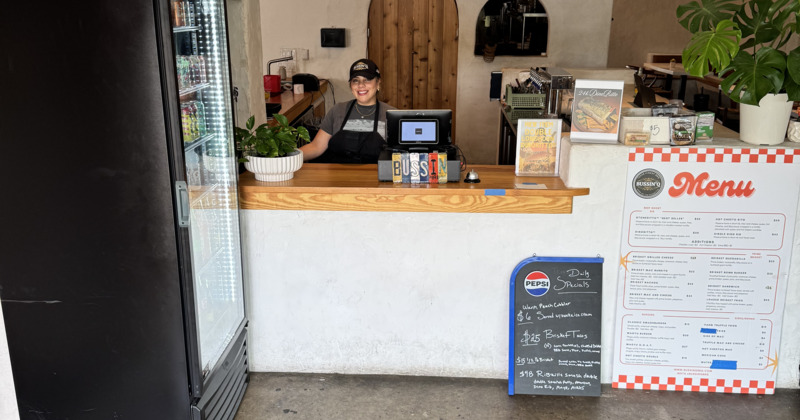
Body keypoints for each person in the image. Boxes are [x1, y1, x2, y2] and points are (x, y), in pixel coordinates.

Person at [300, 58, 396, 163]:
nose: (361, 85)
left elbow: (402, 154)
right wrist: (288, 158)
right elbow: (316, 147)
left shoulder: (392, 115)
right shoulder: (338, 110)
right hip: (339, 177)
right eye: (356, 80)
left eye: (367, 80)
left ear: (378, 83)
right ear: (351, 86)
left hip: (376, 177)